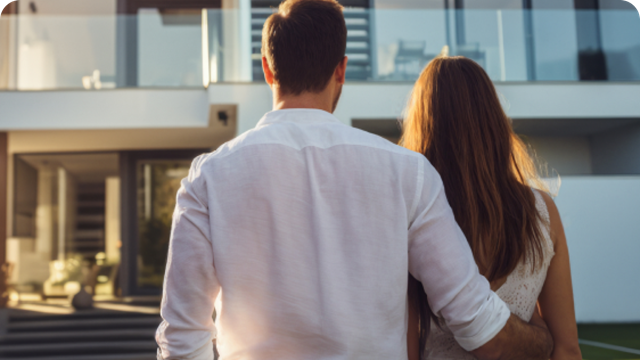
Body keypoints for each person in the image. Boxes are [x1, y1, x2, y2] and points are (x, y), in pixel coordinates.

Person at [155, 1, 553, 359]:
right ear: (341, 70)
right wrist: (546, 341)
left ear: (267, 68)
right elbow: (476, 322)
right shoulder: (408, 175)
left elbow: (183, 341)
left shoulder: (208, 179)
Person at [402, 56, 582, 360]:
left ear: (423, 124)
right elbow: (567, 348)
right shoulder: (542, 211)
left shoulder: (412, 215)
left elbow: (405, 350)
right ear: (493, 120)